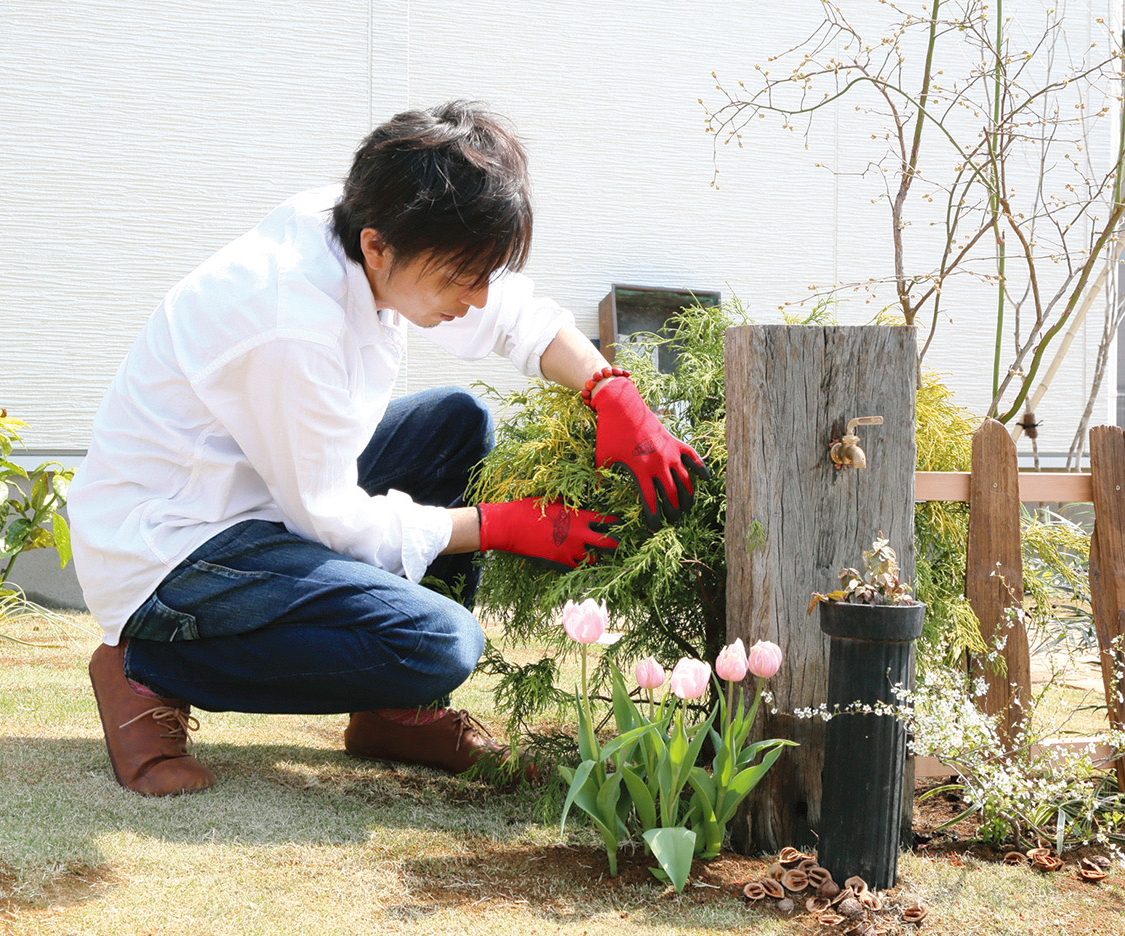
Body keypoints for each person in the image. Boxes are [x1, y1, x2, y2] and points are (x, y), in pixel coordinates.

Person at [69, 101, 708, 796]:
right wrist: (500, 525)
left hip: (260, 492)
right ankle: (146, 667)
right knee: (442, 644)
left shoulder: (365, 221)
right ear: (377, 248)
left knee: (457, 422)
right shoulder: (289, 319)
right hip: (175, 547)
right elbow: (331, 519)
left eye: (483, 274)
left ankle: (395, 714)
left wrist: (610, 392)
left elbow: (513, 314)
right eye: (460, 278)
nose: (475, 298)